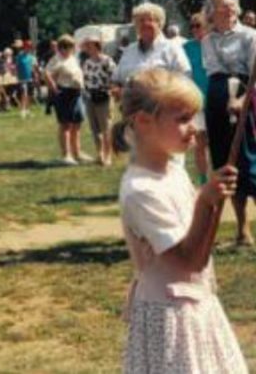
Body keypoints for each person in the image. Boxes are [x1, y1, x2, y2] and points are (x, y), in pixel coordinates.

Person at [116, 67, 246, 373]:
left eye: (195, 117)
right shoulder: (141, 190)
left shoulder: (173, 170)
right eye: (183, 119)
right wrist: (205, 202)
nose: (194, 128)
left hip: (195, 305)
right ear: (144, 121)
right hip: (171, 318)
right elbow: (189, 260)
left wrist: (207, 197)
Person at [201, 0, 256, 246]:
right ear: (212, 12)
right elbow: (216, 72)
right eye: (224, 5)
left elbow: (254, 75)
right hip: (218, 100)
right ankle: (242, 231)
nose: (230, 8)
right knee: (226, 164)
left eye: (233, 4)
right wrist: (224, 100)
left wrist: (242, 101)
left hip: (248, 98)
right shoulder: (207, 40)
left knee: (249, 161)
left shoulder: (250, 36)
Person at [112, 2, 191, 91]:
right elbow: (115, 80)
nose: (145, 24)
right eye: (141, 20)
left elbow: (185, 79)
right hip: (130, 99)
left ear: (160, 24)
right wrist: (116, 90)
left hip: (162, 99)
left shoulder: (172, 49)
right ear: (136, 25)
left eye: (150, 20)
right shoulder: (129, 51)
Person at [45, 35, 89, 165]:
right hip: (64, 93)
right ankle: (66, 155)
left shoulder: (73, 58)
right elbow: (46, 73)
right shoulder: (56, 59)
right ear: (60, 48)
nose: (68, 49)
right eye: (65, 46)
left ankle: (77, 153)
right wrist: (53, 87)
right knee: (65, 125)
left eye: (70, 46)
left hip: (77, 93)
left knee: (77, 123)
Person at [81, 36, 116, 166]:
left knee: (106, 127)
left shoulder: (107, 60)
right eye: (86, 45)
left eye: (89, 45)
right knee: (94, 128)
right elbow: (84, 79)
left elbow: (115, 77)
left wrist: (111, 90)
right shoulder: (87, 62)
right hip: (90, 97)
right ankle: (100, 154)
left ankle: (108, 155)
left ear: (97, 46)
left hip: (104, 97)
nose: (86, 48)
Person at [184, 12, 210, 184]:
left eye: (198, 25)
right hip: (196, 102)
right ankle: (203, 180)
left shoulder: (215, 44)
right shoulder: (186, 47)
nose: (194, 29)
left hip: (216, 100)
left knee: (220, 143)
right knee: (200, 143)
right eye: (192, 26)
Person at [15, 40, 37, 118]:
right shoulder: (19, 56)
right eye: (27, 47)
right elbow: (16, 67)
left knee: (30, 95)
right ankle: (22, 110)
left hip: (30, 78)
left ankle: (28, 110)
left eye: (30, 47)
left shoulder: (32, 57)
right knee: (24, 93)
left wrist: (35, 76)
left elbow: (33, 68)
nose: (29, 49)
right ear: (24, 47)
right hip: (22, 79)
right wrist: (16, 76)